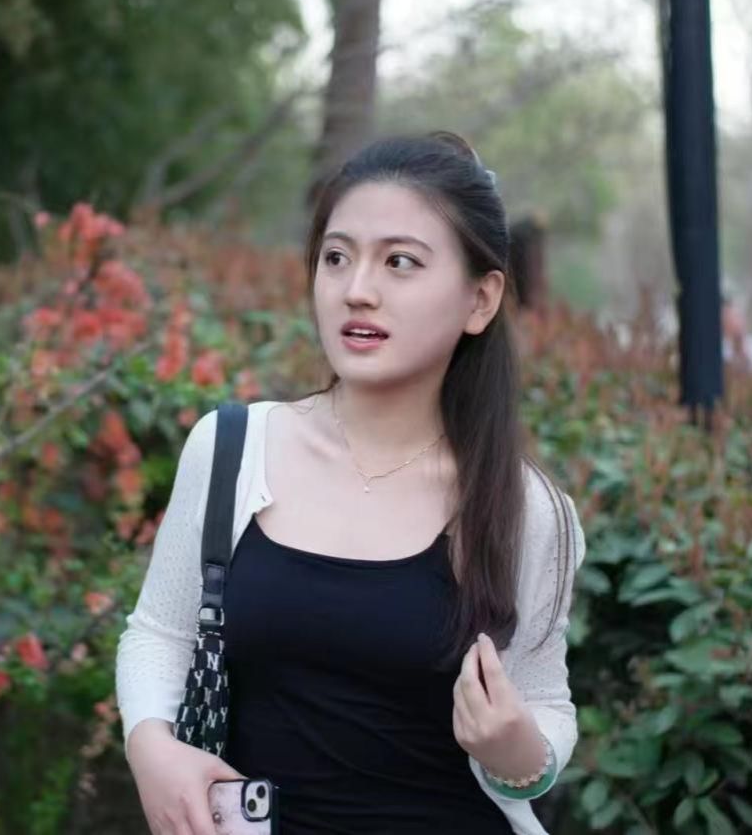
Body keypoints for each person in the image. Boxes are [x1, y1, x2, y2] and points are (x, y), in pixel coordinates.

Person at [115, 132, 585, 835]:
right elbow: (160, 632)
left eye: (400, 262)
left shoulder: (524, 508)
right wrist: (151, 746)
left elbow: (545, 702)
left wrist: (517, 753)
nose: (357, 290)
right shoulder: (232, 450)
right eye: (336, 257)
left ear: (480, 300)